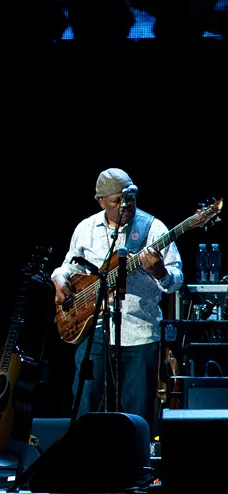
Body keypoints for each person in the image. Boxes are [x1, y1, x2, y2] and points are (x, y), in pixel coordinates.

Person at [51, 168, 183, 434]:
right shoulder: (86, 228)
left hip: (140, 335)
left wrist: (160, 271)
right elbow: (66, 266)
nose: (126, 204)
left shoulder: (153, 228)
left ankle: (135, 471)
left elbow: (176, 280)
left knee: (136, 415)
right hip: (94, 333)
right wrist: (59, 281)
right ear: (101, 202)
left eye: (130, 197)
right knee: (85, 406)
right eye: (117, 201)